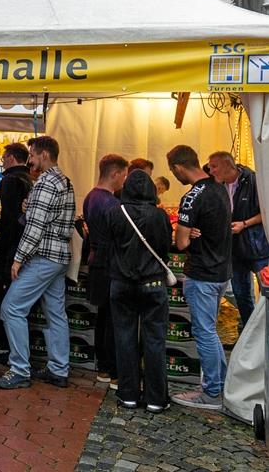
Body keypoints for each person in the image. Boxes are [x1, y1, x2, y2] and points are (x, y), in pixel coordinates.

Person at [0, 136, 75, 390]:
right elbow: (56, 218)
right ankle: (58, 369)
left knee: (11, 308)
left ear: (43, 154)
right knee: (56, 313)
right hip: (61, 256)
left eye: (31, 154)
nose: (29, 159)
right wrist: (30, 208)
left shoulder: (44, 183)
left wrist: (18, 259)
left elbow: (36, 227)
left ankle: (19, 369)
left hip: (43, 257)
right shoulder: (65, 182)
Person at [168, 145, 231, 411]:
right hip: (220, 271)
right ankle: (221, 384)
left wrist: (184, 231)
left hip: (202, 273)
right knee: (210, 332)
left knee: (204, 333)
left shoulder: (193, 196)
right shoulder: (220, 188)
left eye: (173, 171)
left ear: (179, 167)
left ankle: (212, 392)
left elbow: (180, 242)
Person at [109, 170, 172, 412]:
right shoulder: (159, 216)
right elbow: (165, 246)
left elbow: (109, 245)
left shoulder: (116, 213)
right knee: (154, 340)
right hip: (152, 282)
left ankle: (128, 395)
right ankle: (156, 399)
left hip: (121, 282)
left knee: (124, 338)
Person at [207, 151, 269, 329]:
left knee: (266, 290)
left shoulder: (254, 181)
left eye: (214, 166)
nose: (211, 171)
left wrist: (244, 224)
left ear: (228, 166)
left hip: (256, 246)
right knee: (241, 293)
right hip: (233, 249)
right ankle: (250, 330)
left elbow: (266, 213)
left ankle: (264, 332)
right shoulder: (217, 186)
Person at [82, 154, 129, 384]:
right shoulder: (111, 203)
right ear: (115, 173)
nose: (125, 180)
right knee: (112, 318)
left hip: (96, 261)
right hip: (110, 264)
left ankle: (103, 367)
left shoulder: (91, 197)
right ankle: (111, 370)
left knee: (103, 316)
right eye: (124, 175)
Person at [0, 142, 33, 357]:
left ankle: (0, 341)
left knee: (3, 296)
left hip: (11, 249)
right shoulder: (30, 179)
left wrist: (1, 244)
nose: (2, 161)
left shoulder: (11, 180)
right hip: (25, 247)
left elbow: (10, 219)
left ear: (12, 158)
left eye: (4, 157)